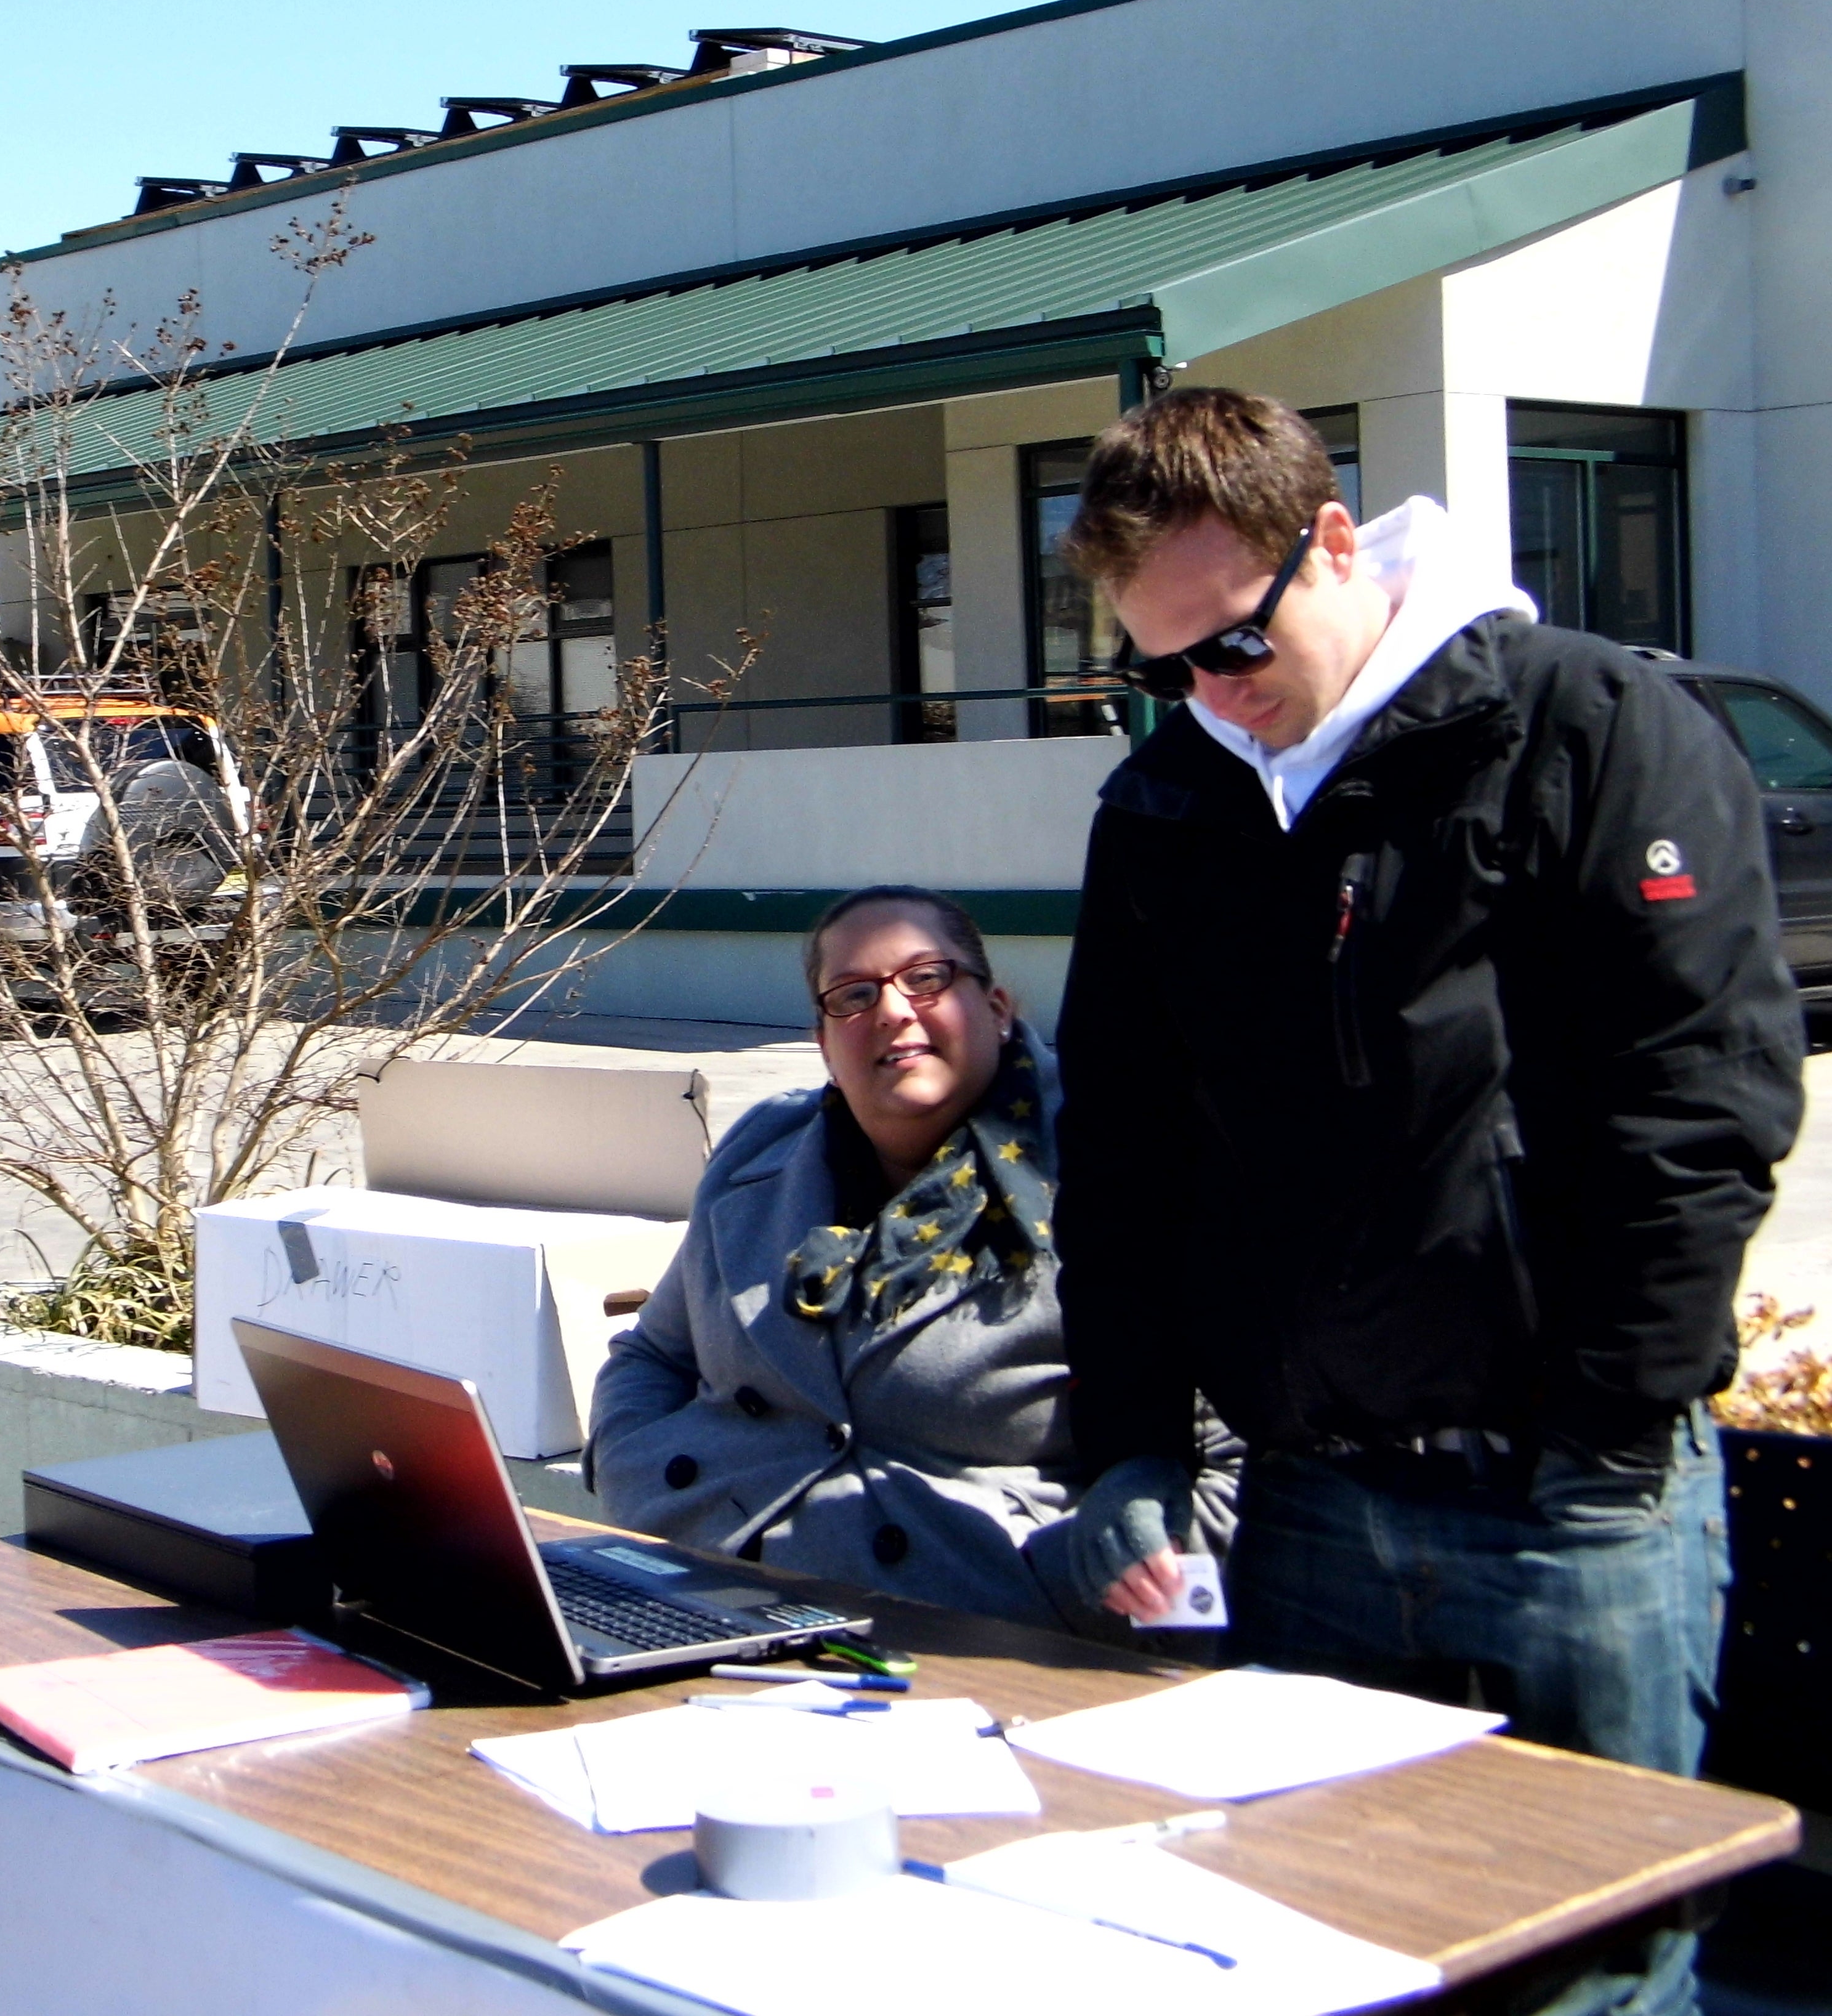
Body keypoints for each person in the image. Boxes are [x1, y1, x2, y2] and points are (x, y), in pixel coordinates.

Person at [1052, 387, 1802, 2015]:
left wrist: (1607, 1424)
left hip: (1569, 1505)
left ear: (1328, 543)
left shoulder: (1591, 727)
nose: (1207, 700)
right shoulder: (1172, 805)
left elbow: (1700, 1100)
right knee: (1336, 1952)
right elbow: (1122, 1152)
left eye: (1230, 651)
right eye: (1160, 670)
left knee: (1598, 1976)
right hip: (1319, 1501)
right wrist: (1129, 1435)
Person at [588, 886, 1237, 1640]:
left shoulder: (1125, 1172)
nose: (893, 1011)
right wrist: (638, 1480)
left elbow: (1235, 1461)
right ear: (825, 1043)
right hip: (715, 1597)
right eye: (853, 995)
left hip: (981, 1636)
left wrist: (1077, 1601)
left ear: (996, 1007)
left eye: (927, 979)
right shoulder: (759, 1154)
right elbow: (654, 1356)